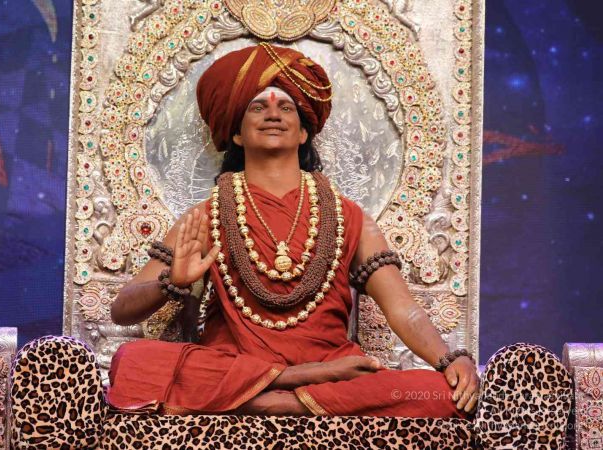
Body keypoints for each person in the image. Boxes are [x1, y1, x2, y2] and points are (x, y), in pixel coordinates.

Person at [108, 42, 479, 417]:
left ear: (303, 133)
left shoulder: (349, 217)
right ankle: (291, 383)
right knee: (133, 361)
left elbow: (403, 309)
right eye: (257, 107)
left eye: (286, 107)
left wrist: (450, 359)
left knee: (438, 393)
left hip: (333, 372)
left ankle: (273, 402)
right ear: (237, 134)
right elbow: (123, 310)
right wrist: (171, 281)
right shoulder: (207, 216)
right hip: (236, 370)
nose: (273, 113)